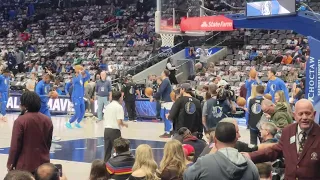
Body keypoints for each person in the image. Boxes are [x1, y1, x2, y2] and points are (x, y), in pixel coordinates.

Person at [243, 99, 320, 180]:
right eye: (300, 114)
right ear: (294, 115)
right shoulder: (288, 131)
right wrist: (251, 156)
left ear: (314, 114)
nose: (304, 117)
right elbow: (275, 150)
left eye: (308, 113)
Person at [184, 122, 259, 180]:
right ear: (236, 140)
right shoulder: (250, 165)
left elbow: (186, 176)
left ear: (215, 141)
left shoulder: (203, 163)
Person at [7, 92, 53, 173]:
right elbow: (48, 144)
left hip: (25, 166)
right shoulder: (47, 120)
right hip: (44, 165)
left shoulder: (20, 120)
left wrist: (10, 164)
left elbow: (15, 146)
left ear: (25, 105)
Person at [199, 118, 276, 157]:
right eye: (236, 132)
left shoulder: (210, 146)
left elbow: (257, 147)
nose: (239, 135)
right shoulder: (236, 146)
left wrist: (278, 145)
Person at [103, 91, 128, 162]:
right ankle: (118, 167)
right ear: (120, 98)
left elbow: (105, 117)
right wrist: (124, 124)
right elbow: (119, 121)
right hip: (115, 131)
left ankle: (105, 167)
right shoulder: (119, 107)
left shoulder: (108, 106)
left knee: (107, 152)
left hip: (106, 130)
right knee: (119, 151)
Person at [151, 70, 172, 137]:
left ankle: (168, 132)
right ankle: (168, 130)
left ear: (164, 74)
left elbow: (160, 91)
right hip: (164, 101)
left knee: (166, 117)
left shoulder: (166, 80)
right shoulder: (165, 81)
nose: (161, 73)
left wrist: (153, 97)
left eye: (162, 72)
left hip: (167, 101)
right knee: (163, 116)